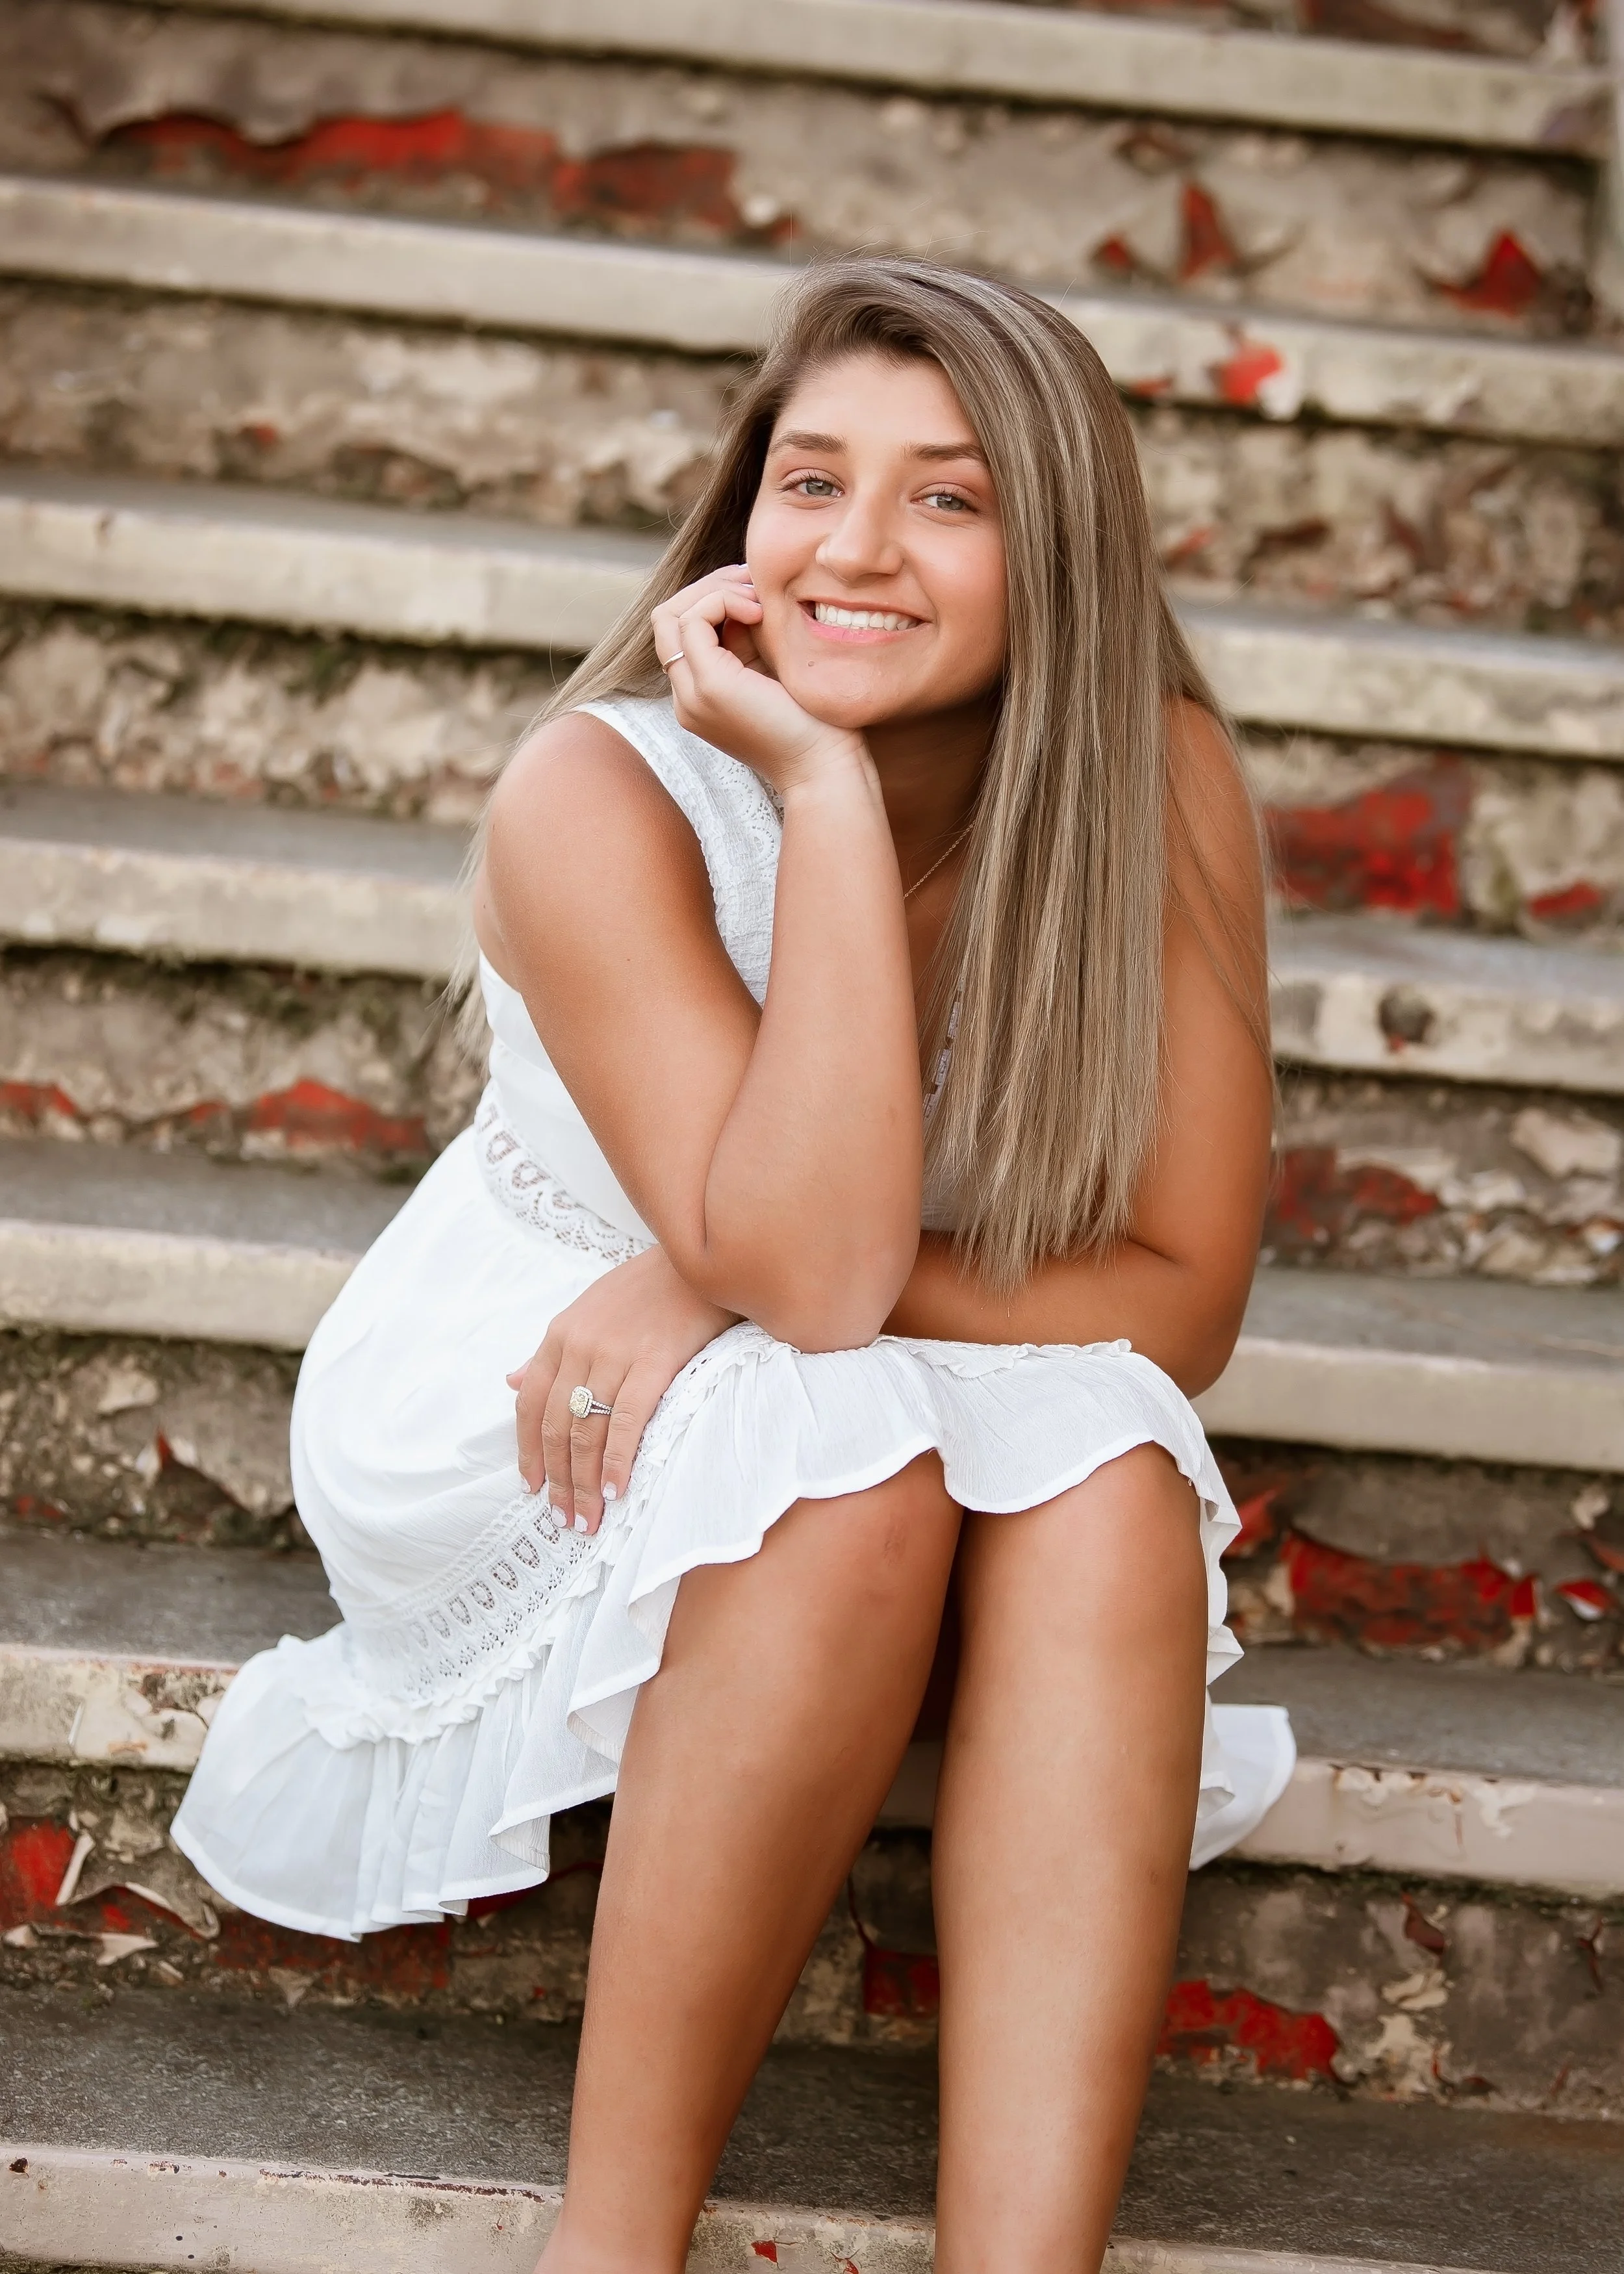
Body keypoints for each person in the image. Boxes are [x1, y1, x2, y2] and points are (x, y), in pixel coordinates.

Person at [173, 254, 1293, 2273]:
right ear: (738, 516)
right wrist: (813, 785)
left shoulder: (1152, 779)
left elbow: (1180, 1300)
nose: (855, 551)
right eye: (810, 482)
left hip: (788, 1304)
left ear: (1064, 554)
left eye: (949, 499)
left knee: (1116, 1484)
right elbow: (807, 1260)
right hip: (537, 1378)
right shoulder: (597, 789)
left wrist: (725, 1277)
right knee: (841, 1448)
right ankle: (613, 2249)